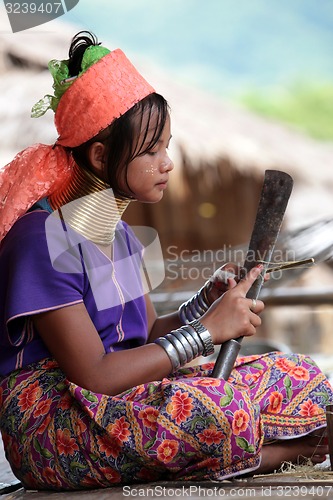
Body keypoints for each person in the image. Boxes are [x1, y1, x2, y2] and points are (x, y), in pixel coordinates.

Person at [0, 31, 331, 491]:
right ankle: (289, 451)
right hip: (56, 420)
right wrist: (207, 333)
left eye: (168, 146)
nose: (168, 163)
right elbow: (94, 374)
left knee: (300, 374)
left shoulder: (124, 237)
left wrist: (205, 302)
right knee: (216, 408)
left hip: (125, 399)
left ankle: (267, 448)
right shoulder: (40, 240)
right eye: (152, 150)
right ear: (100, 155)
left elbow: (150, 335)